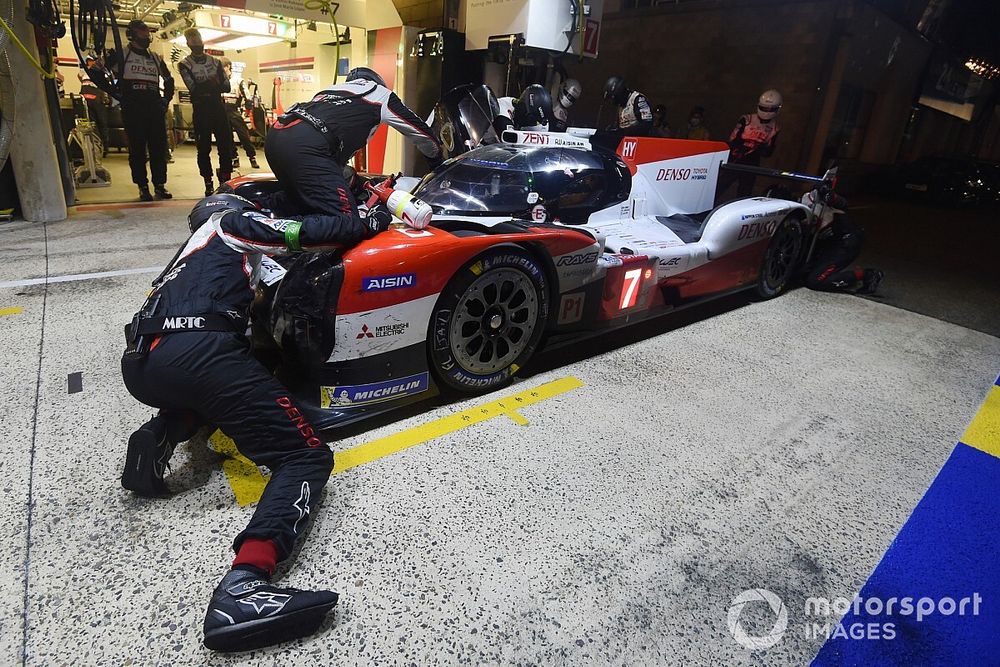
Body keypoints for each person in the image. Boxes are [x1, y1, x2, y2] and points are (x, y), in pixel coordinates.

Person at [120, 192, 396, 651]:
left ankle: (162, 431)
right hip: (199, 352)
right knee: (304, 457)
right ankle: (245, 584)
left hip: (142, 365)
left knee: (219, 393)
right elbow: (299, 234)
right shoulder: (229, 224)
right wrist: (369, 219)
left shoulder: (185, 258)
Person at [263, 66, 440, 219]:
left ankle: (257, 208)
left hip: (276, 137)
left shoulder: (326, 92)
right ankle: (268, 237)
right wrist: (437, 162)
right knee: (347, 221)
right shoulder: (380, 94)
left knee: (306, 197)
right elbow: (421, 132)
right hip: (308, 145)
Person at [105, 20, 174, 201]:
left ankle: (159, 185)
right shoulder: (121, 54)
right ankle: (142, 186)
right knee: (137, 149)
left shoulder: (155, 57)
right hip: (133, 109)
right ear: (132, 34)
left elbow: (169, 80)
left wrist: (166, 100)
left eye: (147, 32)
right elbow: (98, 71)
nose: (146, 35)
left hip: (154, 107)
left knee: (158, 148)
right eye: (142, 32)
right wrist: (115, 93)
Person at [179, 28, 234, 196]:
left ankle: (225, 178)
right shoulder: (184, 64)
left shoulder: (215, 62)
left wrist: (209, 84)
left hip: (218, 107)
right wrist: (213, 83)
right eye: (193, 40)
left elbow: (226, 86)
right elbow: (193, 89)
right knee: (203, 148)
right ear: (188, 43)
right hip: (201, 109)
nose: (197, 43)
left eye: (198, 39)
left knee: (226, 145)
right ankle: (208, 181)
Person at [801, 190, 883, 294]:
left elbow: (842, 203)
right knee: (803, 273)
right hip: (827, 243)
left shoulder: (823, 198)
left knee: (815, 281)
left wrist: (829, 195)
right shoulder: (800, 202)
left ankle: (868, 275)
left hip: (846, 242)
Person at [720, 89, 782, 198]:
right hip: (737, 156)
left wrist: (758, 147)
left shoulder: (774, 128)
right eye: (764, 108)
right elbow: (733, 139)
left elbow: (768, 151)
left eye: (770, 109)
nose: (766, 111)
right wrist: (740, 148)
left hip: (753, 160)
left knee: (745, 190)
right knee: (722, 184)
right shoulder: (747, 119)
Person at [220, 57, 260, 170]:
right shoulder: (218, 80)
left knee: (244, 135)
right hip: (222, 111)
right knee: (227, 137)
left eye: (222, 67)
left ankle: (252, 157)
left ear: (228, 66)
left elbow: (247, 97)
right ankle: (234, 158)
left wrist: (248, 110)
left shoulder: (238, 80)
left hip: (233, 110)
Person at [78, 57, 110, 154]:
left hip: (92, 100)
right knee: (97, 124)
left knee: (98, 124)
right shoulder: (87, 72)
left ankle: (100, 147)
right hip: (92, 101)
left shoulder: (87, 73)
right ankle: (99, 146)